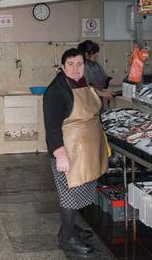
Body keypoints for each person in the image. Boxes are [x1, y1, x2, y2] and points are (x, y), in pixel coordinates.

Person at [43, 48, 109, 255]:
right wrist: (60, 155)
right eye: (70, 64)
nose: (76, 69)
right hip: (68, 153)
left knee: (82, 191)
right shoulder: (56, 90)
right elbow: (52, 126)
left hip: (86, 151)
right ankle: (67, 238)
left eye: (79, 64)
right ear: (62, 67)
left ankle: (70, 227)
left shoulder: (83, 84)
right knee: (70, 195)